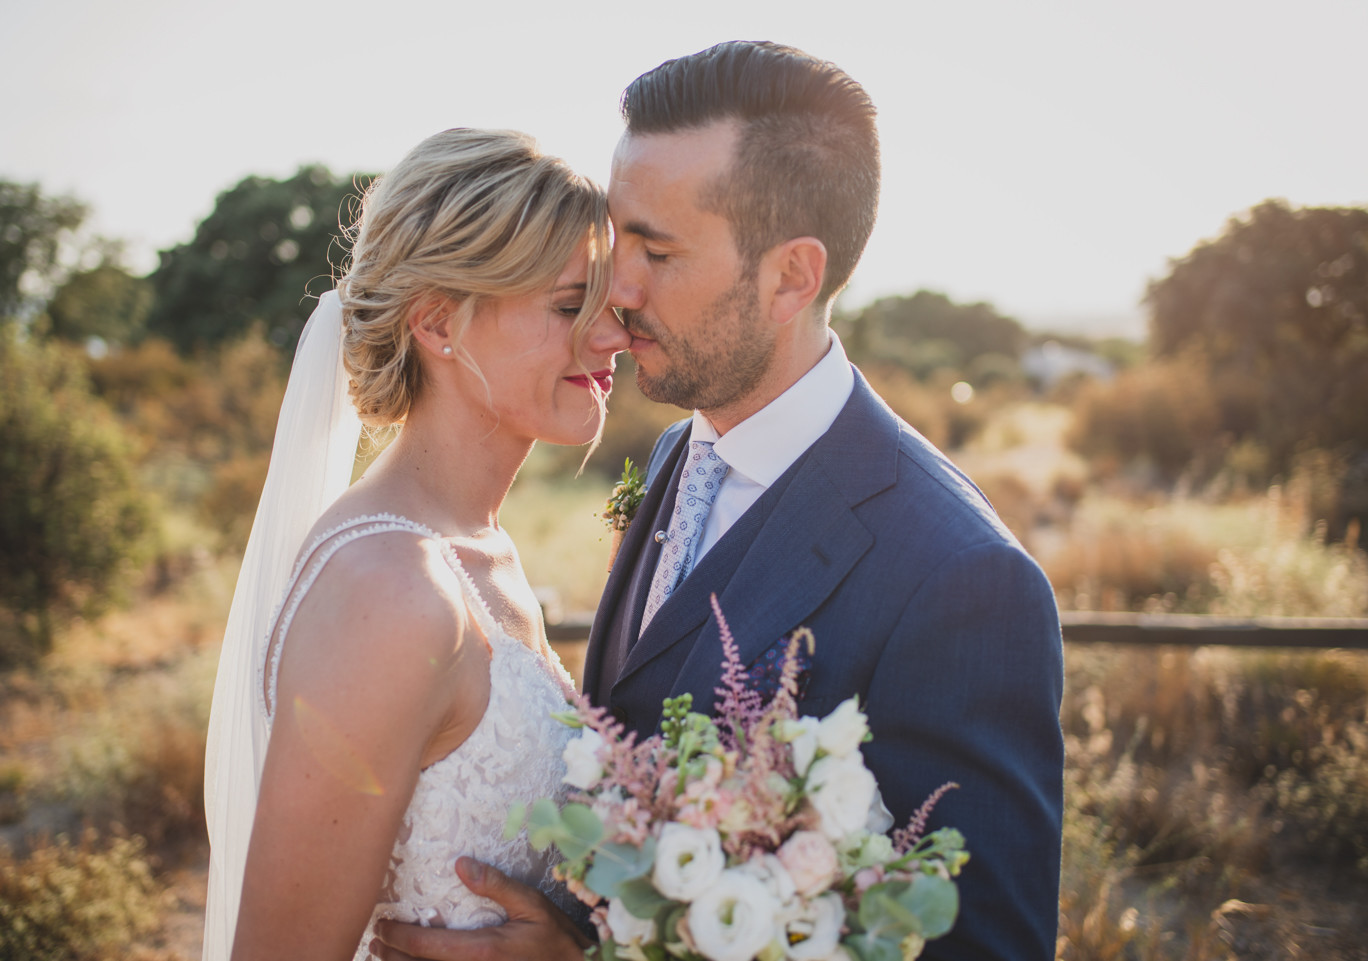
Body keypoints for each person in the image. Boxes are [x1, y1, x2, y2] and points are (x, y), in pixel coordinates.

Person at [372, 42, 1064, 961]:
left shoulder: (962, 580)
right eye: (619, 241)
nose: (616, 292)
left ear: (791, 277)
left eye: (657, 252)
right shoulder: (675, 456)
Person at [201, 128, 630, 961]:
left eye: (610, 304)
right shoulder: (389, 590)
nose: (612, 336)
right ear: (437, 323)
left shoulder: (480, 546)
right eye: (570, 305)